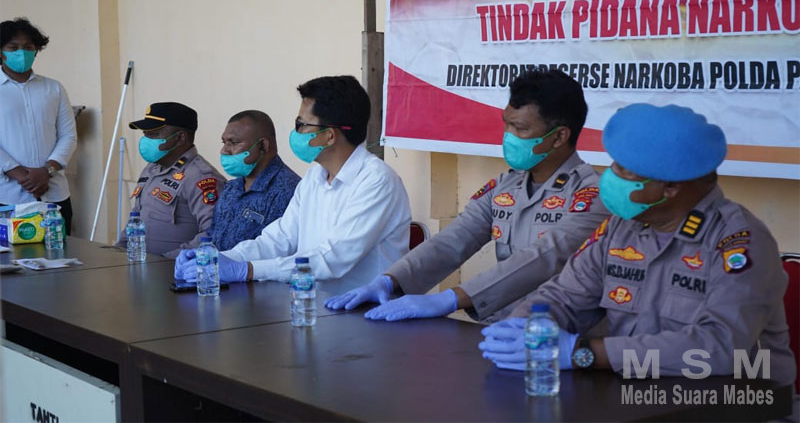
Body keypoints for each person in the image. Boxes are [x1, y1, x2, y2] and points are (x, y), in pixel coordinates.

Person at [479, 103, 796, 388]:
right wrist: (525, 327)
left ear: (670, 187)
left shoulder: (739, 242)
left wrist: (581, 352)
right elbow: (565, 296)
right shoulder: (621, 226)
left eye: (623, 171)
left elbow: (721, 346)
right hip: (633, 400)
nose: (610, 176)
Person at [326, 70, 610, 322]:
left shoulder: (593, 195)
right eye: (507, 124)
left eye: (520, 128)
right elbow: (453, 241)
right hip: (500, 329)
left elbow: (544, 256)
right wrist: (390, 281)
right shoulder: (504, 186)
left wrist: (451, 298)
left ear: (559, 137)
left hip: (562, 338)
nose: (508, 135)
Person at [174, 76, 411, 294]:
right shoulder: (314, 177)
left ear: (329, 135)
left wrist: (247, 270)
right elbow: (278, 239)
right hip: (311, 303)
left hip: (363, 311)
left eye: (301, 125)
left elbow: (331, 259)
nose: (296, 133)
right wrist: (218, 258)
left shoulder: (377, 181)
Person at [116, 102, 226, 257]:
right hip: (140, 262)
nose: (145, 140)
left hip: (173, 267)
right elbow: (136, 218)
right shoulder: (151, 168)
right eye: (145, 134)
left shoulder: (201, 177)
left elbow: (213, 234)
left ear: (180, 138)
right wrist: (118, 251)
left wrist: (170, 260)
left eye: (153, 135)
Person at [0, 18, 78, 233]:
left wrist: (47, 171)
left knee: (59, 251)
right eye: (13, 48)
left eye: (28, 47)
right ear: (1, 52)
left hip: (54, 195)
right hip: (7, 197)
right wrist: (20, 174)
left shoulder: (54, 88)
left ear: (36, 51)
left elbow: (68, 135)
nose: (22, 53)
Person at [209, 110, 300, 251]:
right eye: (224, 142)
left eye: (233, 142)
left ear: (263, 145)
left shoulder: (289, 191)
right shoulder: (231, 187)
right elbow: (213, 234)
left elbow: (277, 248)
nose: (224, 151)